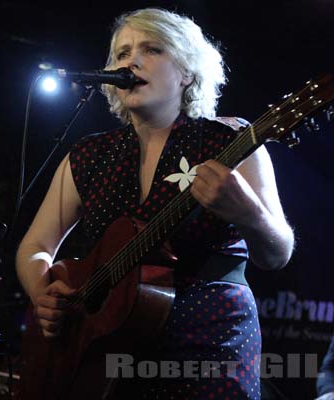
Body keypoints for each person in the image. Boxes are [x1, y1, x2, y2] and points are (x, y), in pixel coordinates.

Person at [15, 8, 294, 399]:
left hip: (209, 346)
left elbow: (276, 253)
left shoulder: (230, 142)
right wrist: (43, 293)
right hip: (103, 353)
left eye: (152, 49)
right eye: (123, 52)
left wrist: (249, 214)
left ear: (188, 73)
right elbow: (35, 247)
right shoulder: (90, 155)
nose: (132, 61)